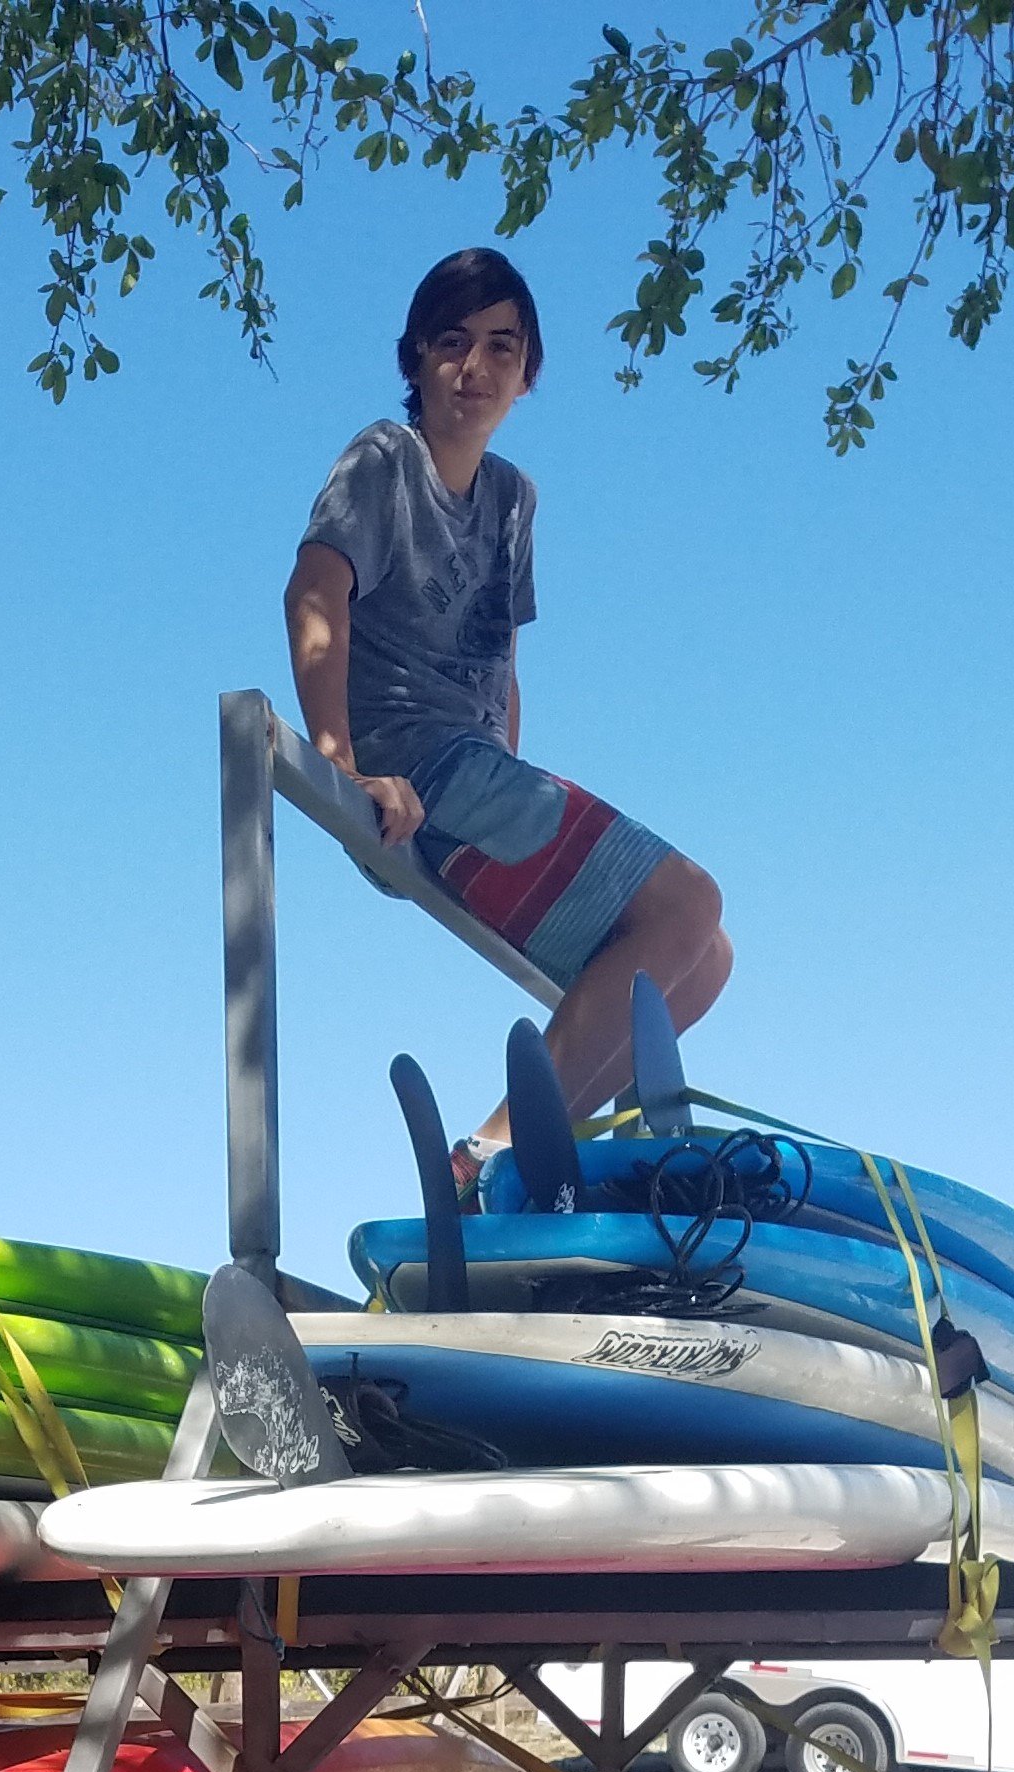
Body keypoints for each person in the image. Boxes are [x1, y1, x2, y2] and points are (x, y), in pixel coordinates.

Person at [285, 247, 732, 1188]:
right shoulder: (384, 460)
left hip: (480, 774)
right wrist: (340, 766)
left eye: (501, 346)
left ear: (528, 375)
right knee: (688, 902)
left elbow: (503, 663)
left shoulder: (514, 501)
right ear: (414, 358)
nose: (474, 367)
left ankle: (515, 1165)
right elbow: (315, 592)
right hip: (413, 766)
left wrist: (515, 786)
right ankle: (490, 1150)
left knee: (702, 963)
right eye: (452, 342)